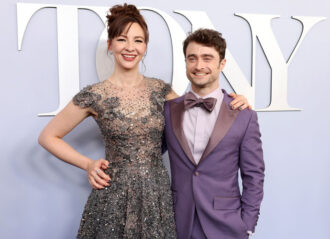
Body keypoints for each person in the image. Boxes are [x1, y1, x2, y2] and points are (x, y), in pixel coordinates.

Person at [38, 4, 250, 238]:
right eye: (121, 39)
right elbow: (48, 137)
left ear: (145, 47)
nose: (130, 47)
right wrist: (87, 164)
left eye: (138, 41)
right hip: (112, 194)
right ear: (110, 45)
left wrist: (232, 100)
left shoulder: (160, 90)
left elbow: (198, 109)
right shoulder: (94, 95)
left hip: (156, 195)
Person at [163, 29, 265, 239]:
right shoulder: (167, 110)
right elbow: (146, 152)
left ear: (222, 64)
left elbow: (254, 176)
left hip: (227, 225)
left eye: (207, 58)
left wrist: (247, 225)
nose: (199, 66)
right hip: (178, 222)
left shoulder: (244, 115)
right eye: (192, 58)